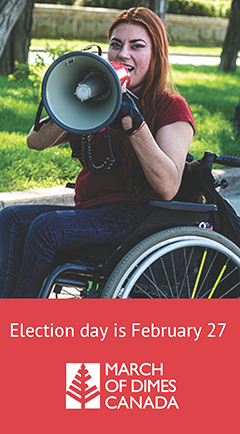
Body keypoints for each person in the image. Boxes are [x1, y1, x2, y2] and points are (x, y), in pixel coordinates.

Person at [0, 7, 195, 297]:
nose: (123, 54)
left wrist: (135, 124)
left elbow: (167, 186)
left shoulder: (171, 107)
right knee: (11, 219)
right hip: (92, 212)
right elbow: (35, 141)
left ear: (157, 55)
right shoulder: (100, 98)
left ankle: (23, 329)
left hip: (140, 216)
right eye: (116, 44)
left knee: (47, 229)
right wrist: (70, 103)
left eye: (137, 46)